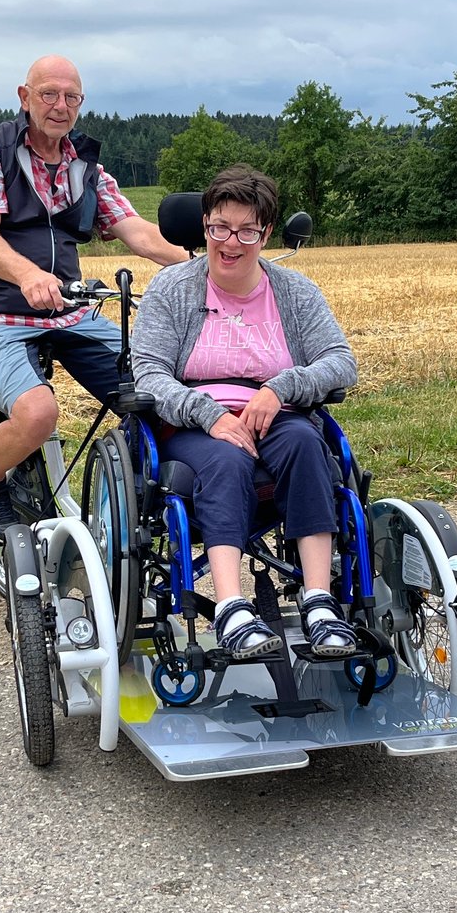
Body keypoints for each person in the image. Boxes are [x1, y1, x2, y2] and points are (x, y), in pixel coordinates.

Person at [129, 165, 359, 659]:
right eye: (219, 228)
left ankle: (319, 602)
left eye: (247, 231)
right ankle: (232, 607)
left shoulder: (295, 293)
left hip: (276, 413)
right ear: (205, 224)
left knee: (304, 443)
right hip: (191, 422)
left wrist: (281, 388)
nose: (231, 243)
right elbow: (148, 373)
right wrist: (207, 413)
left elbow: (341, 362)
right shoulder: (171, 289)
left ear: (266, 232)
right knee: (227, 460)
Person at [0, 55, 187, 534]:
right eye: (48, 94)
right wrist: (29, 275)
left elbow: (135, 230)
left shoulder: (85, 164)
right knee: (38, 413)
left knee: (154, 391)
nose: (60, 106)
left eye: (71, 97)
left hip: (71, 312)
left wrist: (204, 266)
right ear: (24, 97)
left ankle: (138, 487)